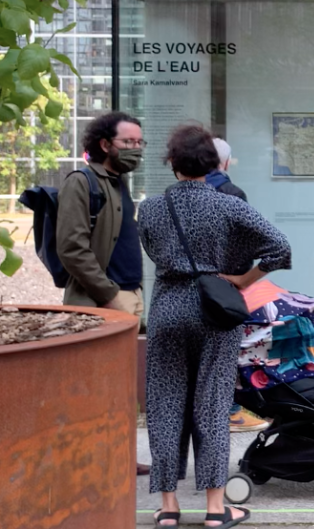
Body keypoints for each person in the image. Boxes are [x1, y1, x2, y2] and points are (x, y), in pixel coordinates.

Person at [138, 124, 291, 528]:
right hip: (214, 310)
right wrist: (241, 279)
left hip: (168, 307)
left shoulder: (151, 208)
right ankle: (214, 508)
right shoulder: (227, 205)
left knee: (165, 403)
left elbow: (152, 250)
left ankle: (168, 506)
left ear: (171, 163)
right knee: (212, 404)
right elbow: (280, 247)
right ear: (212, 163)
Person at [57, 111, 151, 475]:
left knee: (121, 387)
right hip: (101, 302)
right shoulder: (82, 182)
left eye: (139, 143)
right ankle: (89, 462)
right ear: (105, 144)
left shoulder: (116, 182)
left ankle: (119, 456)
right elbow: (71, 248)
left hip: (127, 295)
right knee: (91, 387)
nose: (136, 149)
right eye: (129, 142)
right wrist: (109, 294)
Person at [202, 138, 267, 434]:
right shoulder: (231, 193)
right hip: (223, 285)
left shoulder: (176, 195)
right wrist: (241, 279)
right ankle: (227, 410)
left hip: (188, 285)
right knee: (223, 348)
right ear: (225, 163)